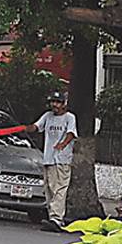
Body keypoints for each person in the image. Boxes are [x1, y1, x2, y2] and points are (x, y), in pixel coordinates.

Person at [24, 91, 77, 232]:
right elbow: (36, 126)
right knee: (49, 189)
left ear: (64, 104)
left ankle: (57, 219)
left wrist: (63, 144)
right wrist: (26, 128)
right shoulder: (48, 116)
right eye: (53, 102)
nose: (55, 105)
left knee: (59, 189)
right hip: (48, 159)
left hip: (61, 160)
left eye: (58, 102)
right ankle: (52, 217)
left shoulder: (69, 117)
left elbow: (71, 133)